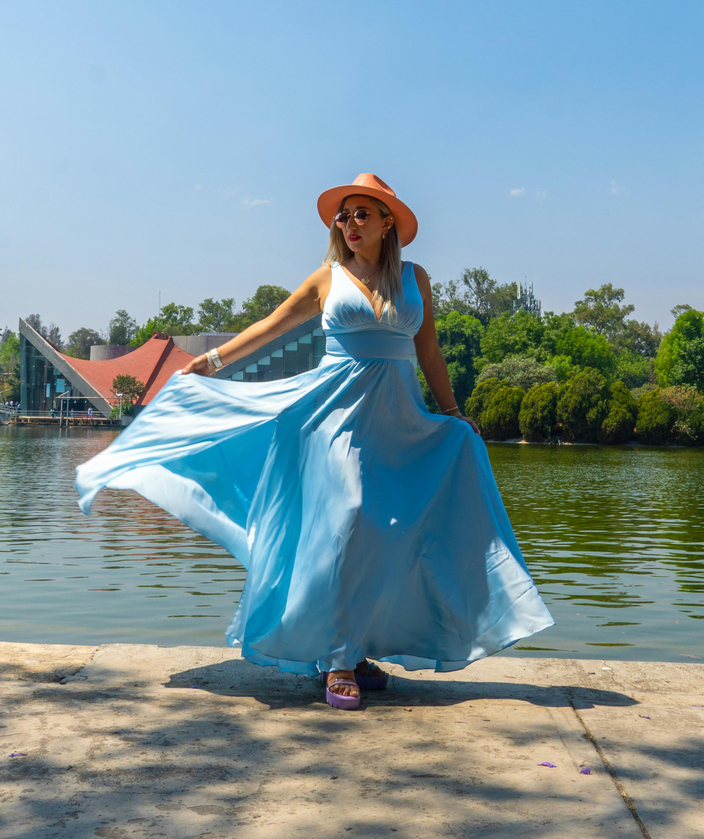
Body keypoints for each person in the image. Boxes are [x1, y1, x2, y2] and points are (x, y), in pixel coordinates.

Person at [76, 173, 553, 709]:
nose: (349, 224)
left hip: (398, 419)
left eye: (361, 214)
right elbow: (271, 326)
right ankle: (339, 658)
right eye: (343, 216)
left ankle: (360, 646)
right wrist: (210, 362)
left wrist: (453, 413)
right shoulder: (328, 279)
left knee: (388, 531)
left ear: (387, 221)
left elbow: (431, 355)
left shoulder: (416, 278)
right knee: (348, 518)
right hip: (334, 415)